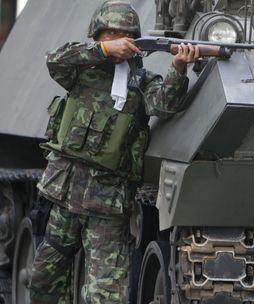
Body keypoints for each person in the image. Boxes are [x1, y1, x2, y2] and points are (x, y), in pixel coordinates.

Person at [28, 1, 200, 303]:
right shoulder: (82, 72)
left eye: (126, 34)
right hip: (66, 197)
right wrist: (103, 52)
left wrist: (178, 68)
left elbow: (163, 105)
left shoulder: (143, 81)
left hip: (108, 206)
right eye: (110, 33)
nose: (120, 38)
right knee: (43, 281)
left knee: (105, 296)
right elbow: (55, 60)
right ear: (98, 35)